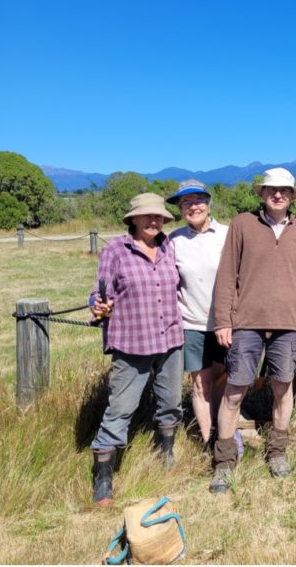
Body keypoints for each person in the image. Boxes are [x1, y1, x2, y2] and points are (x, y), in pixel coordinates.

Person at [209, 168, 296, 492]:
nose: (278, 195)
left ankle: (278, 453)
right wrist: (223, 320)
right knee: (235, 389)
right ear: (262, 193)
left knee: (283, 387)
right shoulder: (242, 224)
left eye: (284, 190)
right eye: (271, 189)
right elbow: (226, 275)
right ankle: (224, 461)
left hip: (288, 323)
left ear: (292, 195)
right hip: (246, 322)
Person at [89, 193, 184, 507]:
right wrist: (99, 305)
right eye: (147, 216)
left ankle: (165, 454)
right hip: (132, 341)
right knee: (121, 408)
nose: (154, 221)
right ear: (133, 219)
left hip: (170, 338)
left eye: (158, 217)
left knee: (171, 401)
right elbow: (98, 293)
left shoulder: (169, 246)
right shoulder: (116, 249)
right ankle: (103, 477)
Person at [166, 179, 229, 448]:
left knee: (225, 380)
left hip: (226, 322)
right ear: (180, 208)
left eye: (198, 200)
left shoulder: (228, 234)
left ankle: (224, 434)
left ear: (208, 202)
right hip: (191, 322)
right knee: (201, 384)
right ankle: (207, 441)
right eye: (186, 203)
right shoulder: (174, 240)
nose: (194, 207)